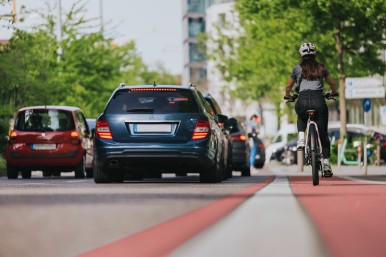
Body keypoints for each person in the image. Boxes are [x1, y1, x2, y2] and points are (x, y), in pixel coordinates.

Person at [284, 42, 338, 177]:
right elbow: (332, 83)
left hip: (302, 100)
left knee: (301, 116)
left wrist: (288, 96)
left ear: (301, 55)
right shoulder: (321, 67)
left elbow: (288, 86)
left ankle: (301, 138)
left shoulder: (297, 68)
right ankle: (326, 165)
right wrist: (333, 92)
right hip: (319, 101)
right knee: (324, 134)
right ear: (315, 54)